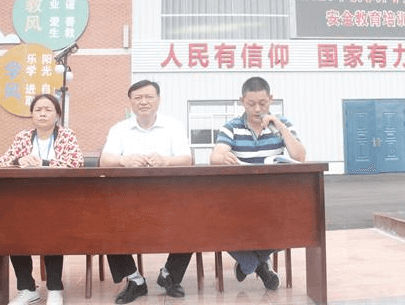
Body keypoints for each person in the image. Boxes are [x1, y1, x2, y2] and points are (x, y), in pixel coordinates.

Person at [99, 80, 193, 304]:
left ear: (158, 100)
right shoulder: (119, 129)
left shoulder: (173, 126)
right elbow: (105, 160)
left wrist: (166, 161)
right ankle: (135, 280)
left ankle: (169, 275)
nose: (143, 101)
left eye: (149, 97)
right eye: (138, 98)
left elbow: (186, 159)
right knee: (105, 224)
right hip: (128, 200)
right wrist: (124, 160)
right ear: (131, 102)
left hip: (169, 198)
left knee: (193, 221)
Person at [210, 76, 306, 290]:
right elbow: (215, 156)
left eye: (262, 103)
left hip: (274, 201)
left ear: (271, 99)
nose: (257, 109)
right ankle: (259, 264)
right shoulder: (231, 127)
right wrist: (222, 157)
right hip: (238, 202)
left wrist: (280, 126)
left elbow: (299, 156)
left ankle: (248, 262)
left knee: (299, 223)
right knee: (215, 225)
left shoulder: (283, 124)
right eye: (251, 103)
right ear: (241, 101)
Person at [0, 94, 84, 305]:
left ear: (57, 115)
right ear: (32, 114)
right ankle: (27, 289)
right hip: (25, 199)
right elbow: (2, 161)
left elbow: (76, 162)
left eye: (48, 109)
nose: (42, 113)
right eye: (38, 110)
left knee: (52, 230)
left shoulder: (66, 135)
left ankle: (54, 288)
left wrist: (43, 163)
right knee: (14, 231)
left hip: (57, 199)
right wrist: (19, 160)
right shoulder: (22, 137)